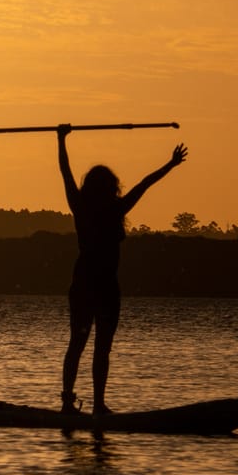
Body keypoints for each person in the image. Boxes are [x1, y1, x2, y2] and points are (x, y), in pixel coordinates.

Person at [56, 124, 187, 414]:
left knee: (80, 343)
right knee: (97, 346)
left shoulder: (82, 206)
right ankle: (93, 404)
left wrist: (61, 139)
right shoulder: (114, 209)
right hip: (100, 286)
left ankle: (74, 402)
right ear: (111, 188)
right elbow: (144, 183)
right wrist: (171, 164)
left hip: (90, 285)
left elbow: (65, 172)